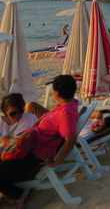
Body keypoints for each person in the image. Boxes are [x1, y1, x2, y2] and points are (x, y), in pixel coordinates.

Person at [0, 75, 80, 206]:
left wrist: (57, 160)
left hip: (33, 157)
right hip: (30, 150)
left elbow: (70, 139)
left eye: (53, 90)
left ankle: (17, 195)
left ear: (57, 93)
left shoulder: (65, 114)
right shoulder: (69, 105)